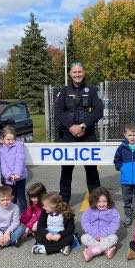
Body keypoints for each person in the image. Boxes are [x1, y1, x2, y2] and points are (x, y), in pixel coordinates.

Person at [54, 62, 104, 203]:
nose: (77, 75)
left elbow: (98, 111)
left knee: (92, 171)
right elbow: (58, 112)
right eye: (74, 72)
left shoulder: (92, 90)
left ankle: (96, 202)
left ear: (84, 72)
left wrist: (83, 126)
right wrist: (71, 127)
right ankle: (64, 202)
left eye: (79, 72)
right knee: (66, 172)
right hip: (68, 137)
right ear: (70, 73)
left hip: (87, 135)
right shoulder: (63, 91)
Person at [80, 187, 120, 261]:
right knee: (83, 238)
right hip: (93, 235)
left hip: (106, 236)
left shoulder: (112, 210)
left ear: (108, 200)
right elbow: (85, 222)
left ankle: (92, 251)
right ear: (94, 201)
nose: (101, 204)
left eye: (104, 201)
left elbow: (115, 224)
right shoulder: (90, 209)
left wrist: (103, 235)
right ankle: (106, 250)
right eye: (98, 201)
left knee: (114, 238)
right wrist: (96, 234)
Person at [0, 126, 28, 212]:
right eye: (8, 139)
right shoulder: (0, 150)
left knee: (21, 197)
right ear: (3, 139)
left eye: (13, 139)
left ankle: (24, 216)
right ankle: (12, 215)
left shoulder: (19, 146)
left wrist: (17, 173)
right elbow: (3, 165)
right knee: (11, 198)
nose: (11, 142)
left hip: (20, 178)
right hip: (8, 179)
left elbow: (20, 160)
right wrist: (9, 175)